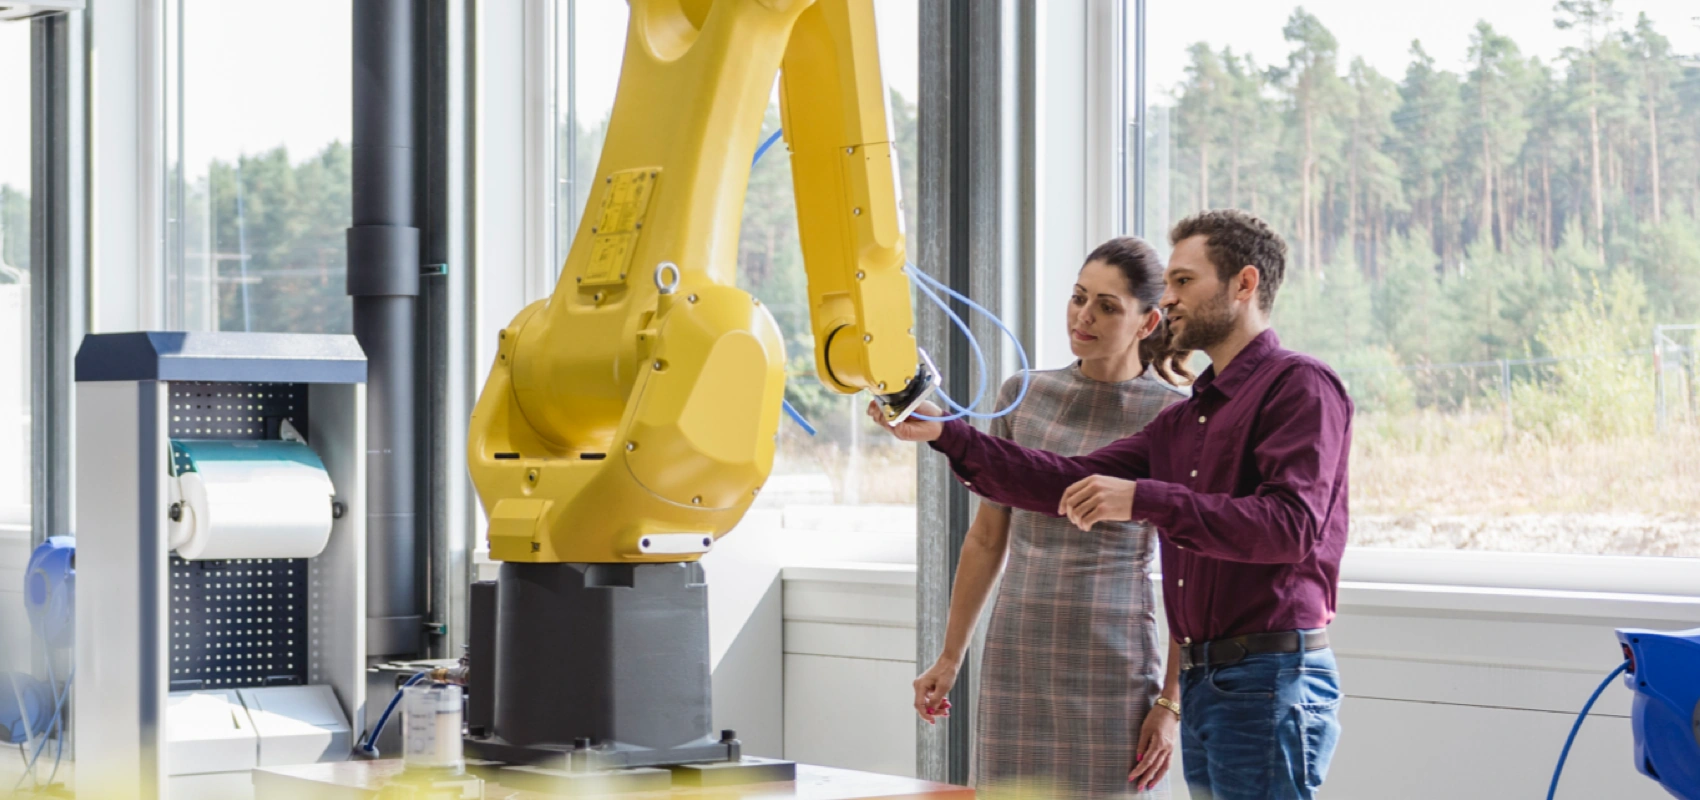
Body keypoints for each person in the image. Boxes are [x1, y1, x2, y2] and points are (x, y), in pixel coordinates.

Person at [875, 209, 1353, 800]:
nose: (1171, 299)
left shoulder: (1299, 385)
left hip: (1269, 677)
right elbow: (1061, 480)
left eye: (1183, 281)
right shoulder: (1190, 417)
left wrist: (1143, 498)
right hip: (1212, 679)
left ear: (1244, 285)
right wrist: (945, 431)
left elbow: (1290, 527)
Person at [908, 236, 1193, 799]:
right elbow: (988, 539)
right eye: (1078, 297)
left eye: (1107, 306)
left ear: (1148, 321)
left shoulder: (1172, 415)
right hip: (1017, 650)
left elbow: (1190, 572)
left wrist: (1170, 702)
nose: (1083, 316)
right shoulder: (1025, 394)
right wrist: (949, 655)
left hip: (1113, 657)